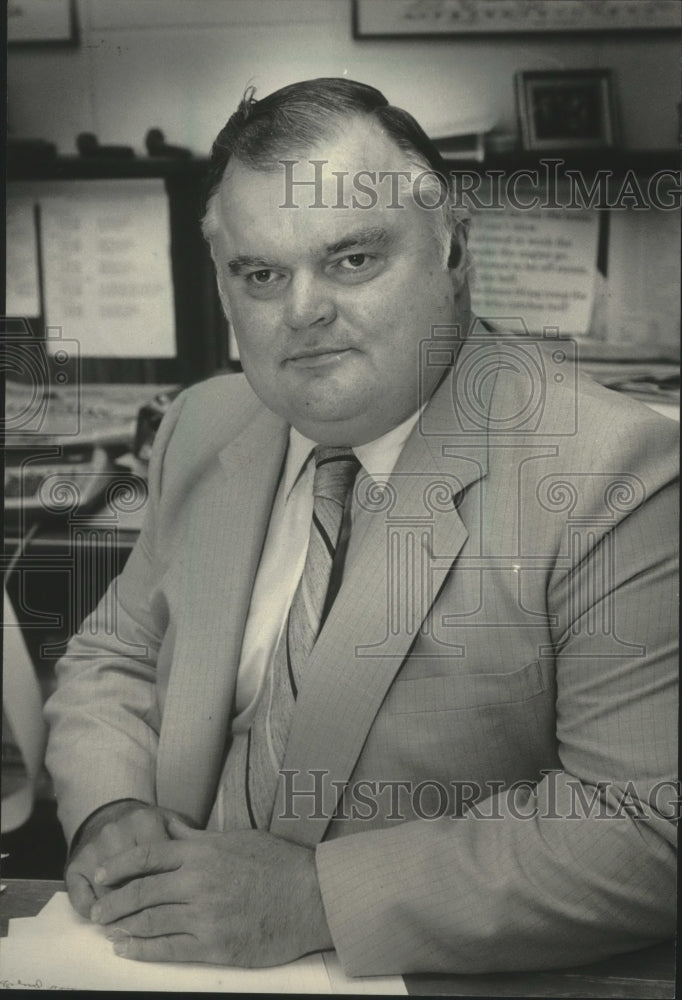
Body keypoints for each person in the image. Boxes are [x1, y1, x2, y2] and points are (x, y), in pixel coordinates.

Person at [44, 78, 678, 976]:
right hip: (153, 960)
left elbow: (646, 825)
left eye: (351, 260)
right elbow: (113, 657)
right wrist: (109, 811)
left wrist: (315, 897)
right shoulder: (205, 424)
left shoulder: (613, 474)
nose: (300, 311)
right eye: (260, 274)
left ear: (456, 249)